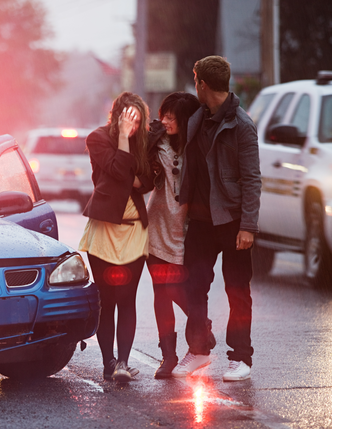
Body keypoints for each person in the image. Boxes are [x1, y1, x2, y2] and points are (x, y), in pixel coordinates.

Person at [171, 56, 262, 382]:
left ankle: (241, 358)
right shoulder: (197, 117)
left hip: (232, 221)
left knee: (237, 291)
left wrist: (248, 226)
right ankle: (198, 352)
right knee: (194, 286)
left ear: (202, 84)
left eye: (195, 80)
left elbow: (252, 179)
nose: (194, 86)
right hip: (200, 220)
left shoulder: (241, 125)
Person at [78, 92, 154, 383]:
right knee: (106, 299)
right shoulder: (97, 138)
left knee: (127, 298)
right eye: (128, 118)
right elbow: (121, 170)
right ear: (117, 115)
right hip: (104, 229)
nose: (133, 125)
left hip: (135, 231)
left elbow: (147, 180)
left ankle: (123, 363)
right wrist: (123, 140)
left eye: (137, 120)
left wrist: (130, 173)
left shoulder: (144, 144)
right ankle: (108, 363)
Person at [145, 92, 216, 379]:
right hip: (158, 227)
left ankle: (201, 326)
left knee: (182, 289)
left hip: (187, 230)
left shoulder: (197, 146)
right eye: (164, 114)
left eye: (173, 116)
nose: (166, 120)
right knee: (161, 291)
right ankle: (168, 356)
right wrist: (152, 135)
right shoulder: (156, 142)